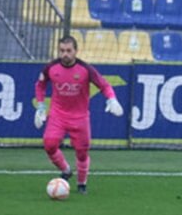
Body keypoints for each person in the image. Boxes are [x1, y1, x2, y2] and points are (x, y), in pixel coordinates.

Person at [34, 35, 124, 194]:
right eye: (62, 51)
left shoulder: (86, 69)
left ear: (76, 51)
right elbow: (40, 85)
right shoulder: (50, 68)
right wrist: (40, 107)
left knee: (82, 153)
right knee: (49, 144)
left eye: (69, 51)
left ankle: (82, 183)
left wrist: (112, 99)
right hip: (58, 115)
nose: (65, 54)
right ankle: (66, 169)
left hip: (80, 118)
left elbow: (104, 85)